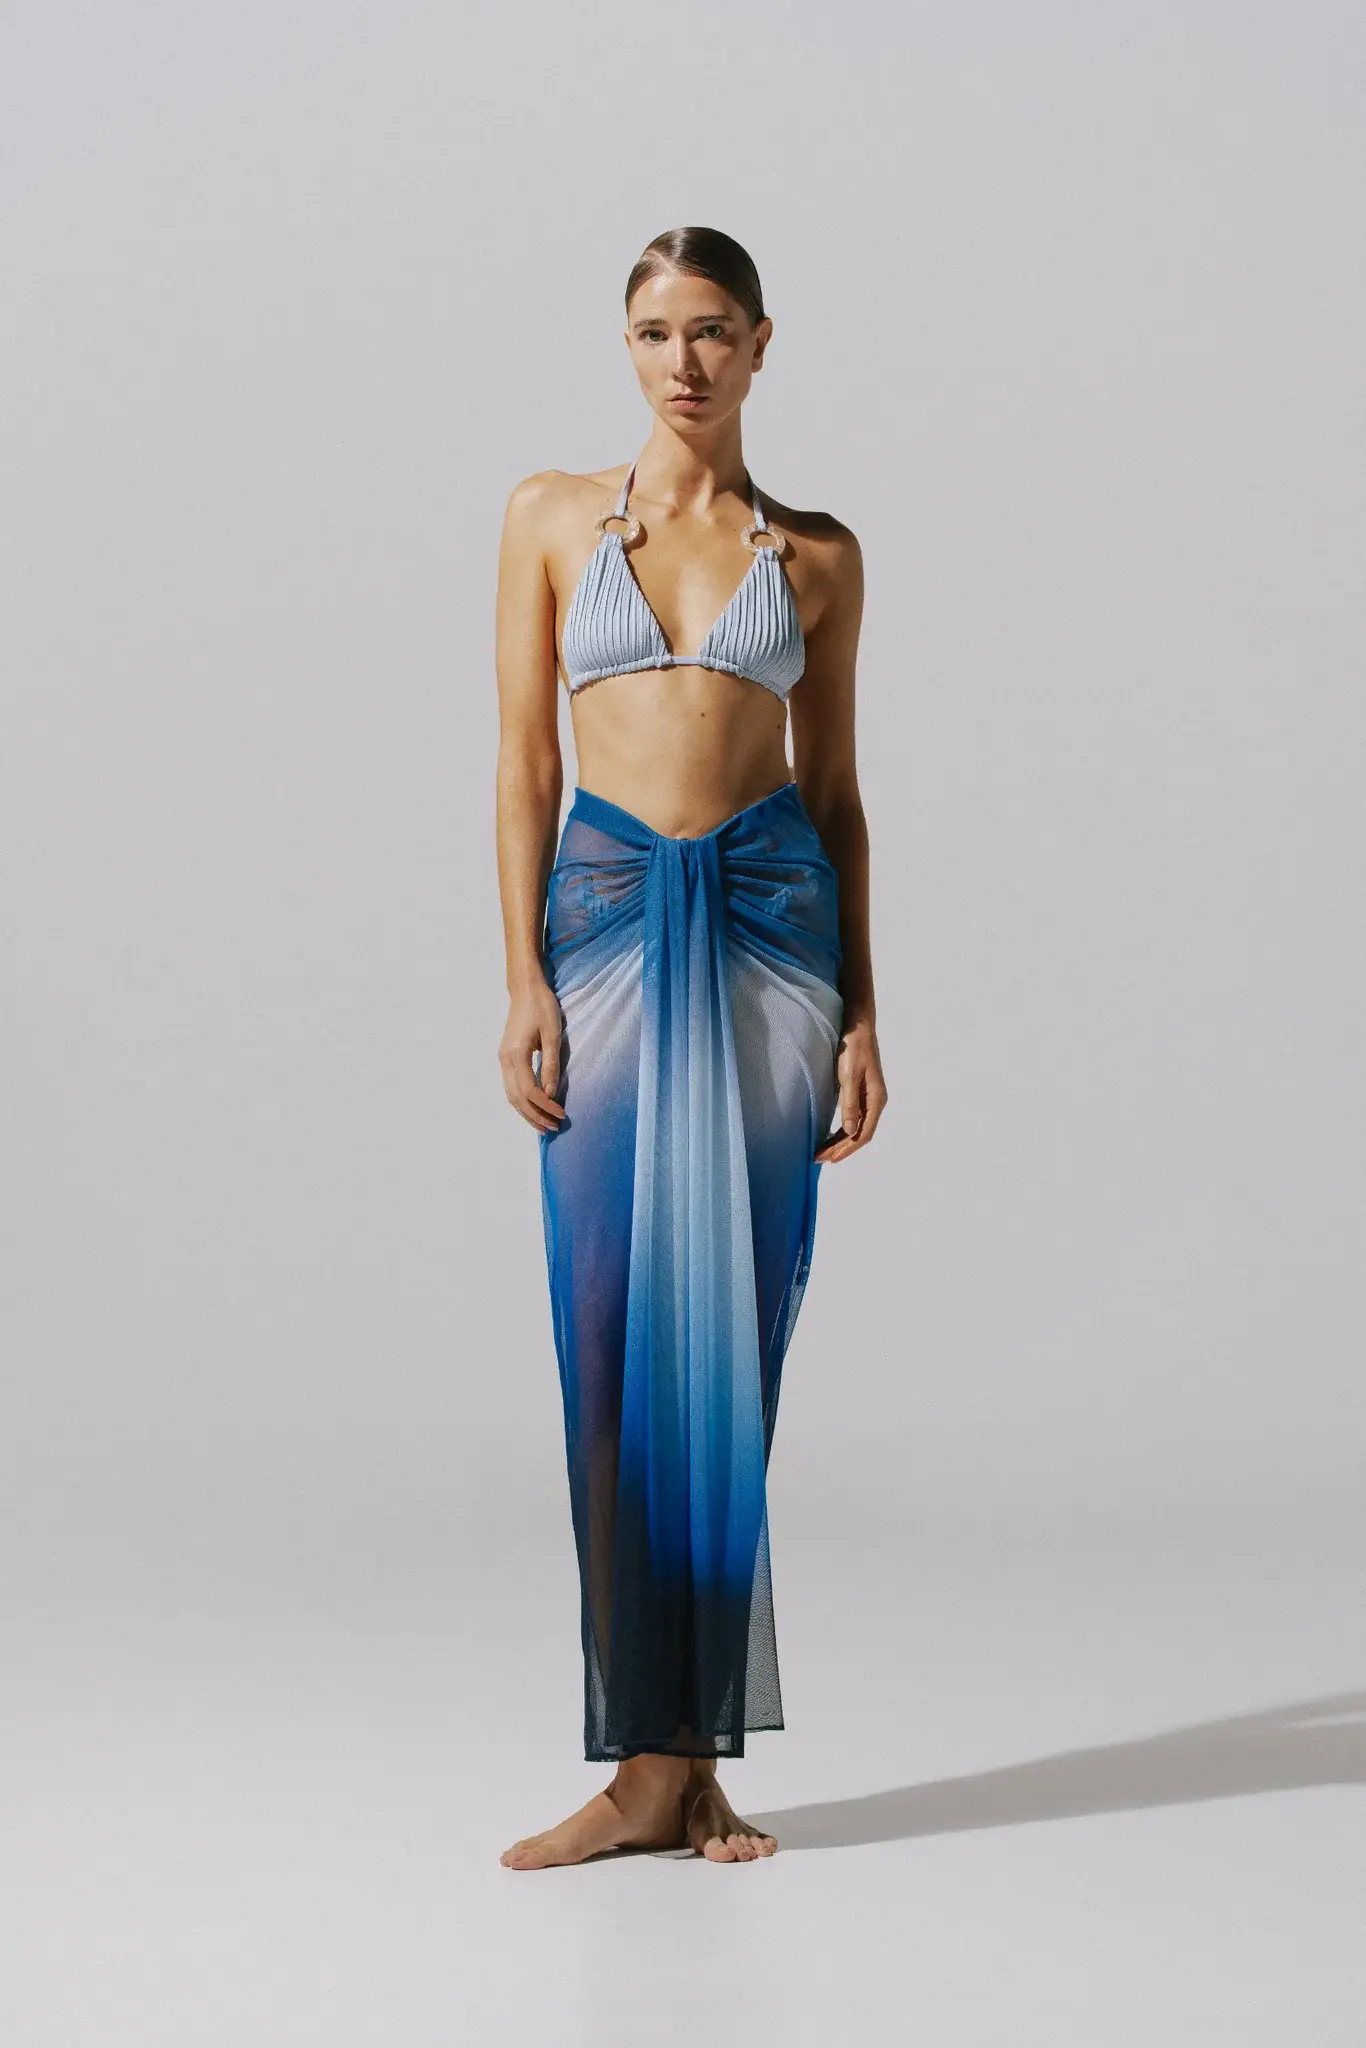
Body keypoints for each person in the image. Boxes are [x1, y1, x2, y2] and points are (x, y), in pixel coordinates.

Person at [494, 226, 887, 1870]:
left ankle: (690, 1762)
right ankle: (641, 1764)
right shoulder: (548, 515)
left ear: (760, 345)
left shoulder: (816, 555)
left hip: (766, 935)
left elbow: (836, 791)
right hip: (600, 927)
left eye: (714, 331)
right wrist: (520, 977)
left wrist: (863, 1006)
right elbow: (523, 764)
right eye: (657, 332)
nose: (685, 362)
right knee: (605, 1329)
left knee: (733, 1330)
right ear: (627, 345)